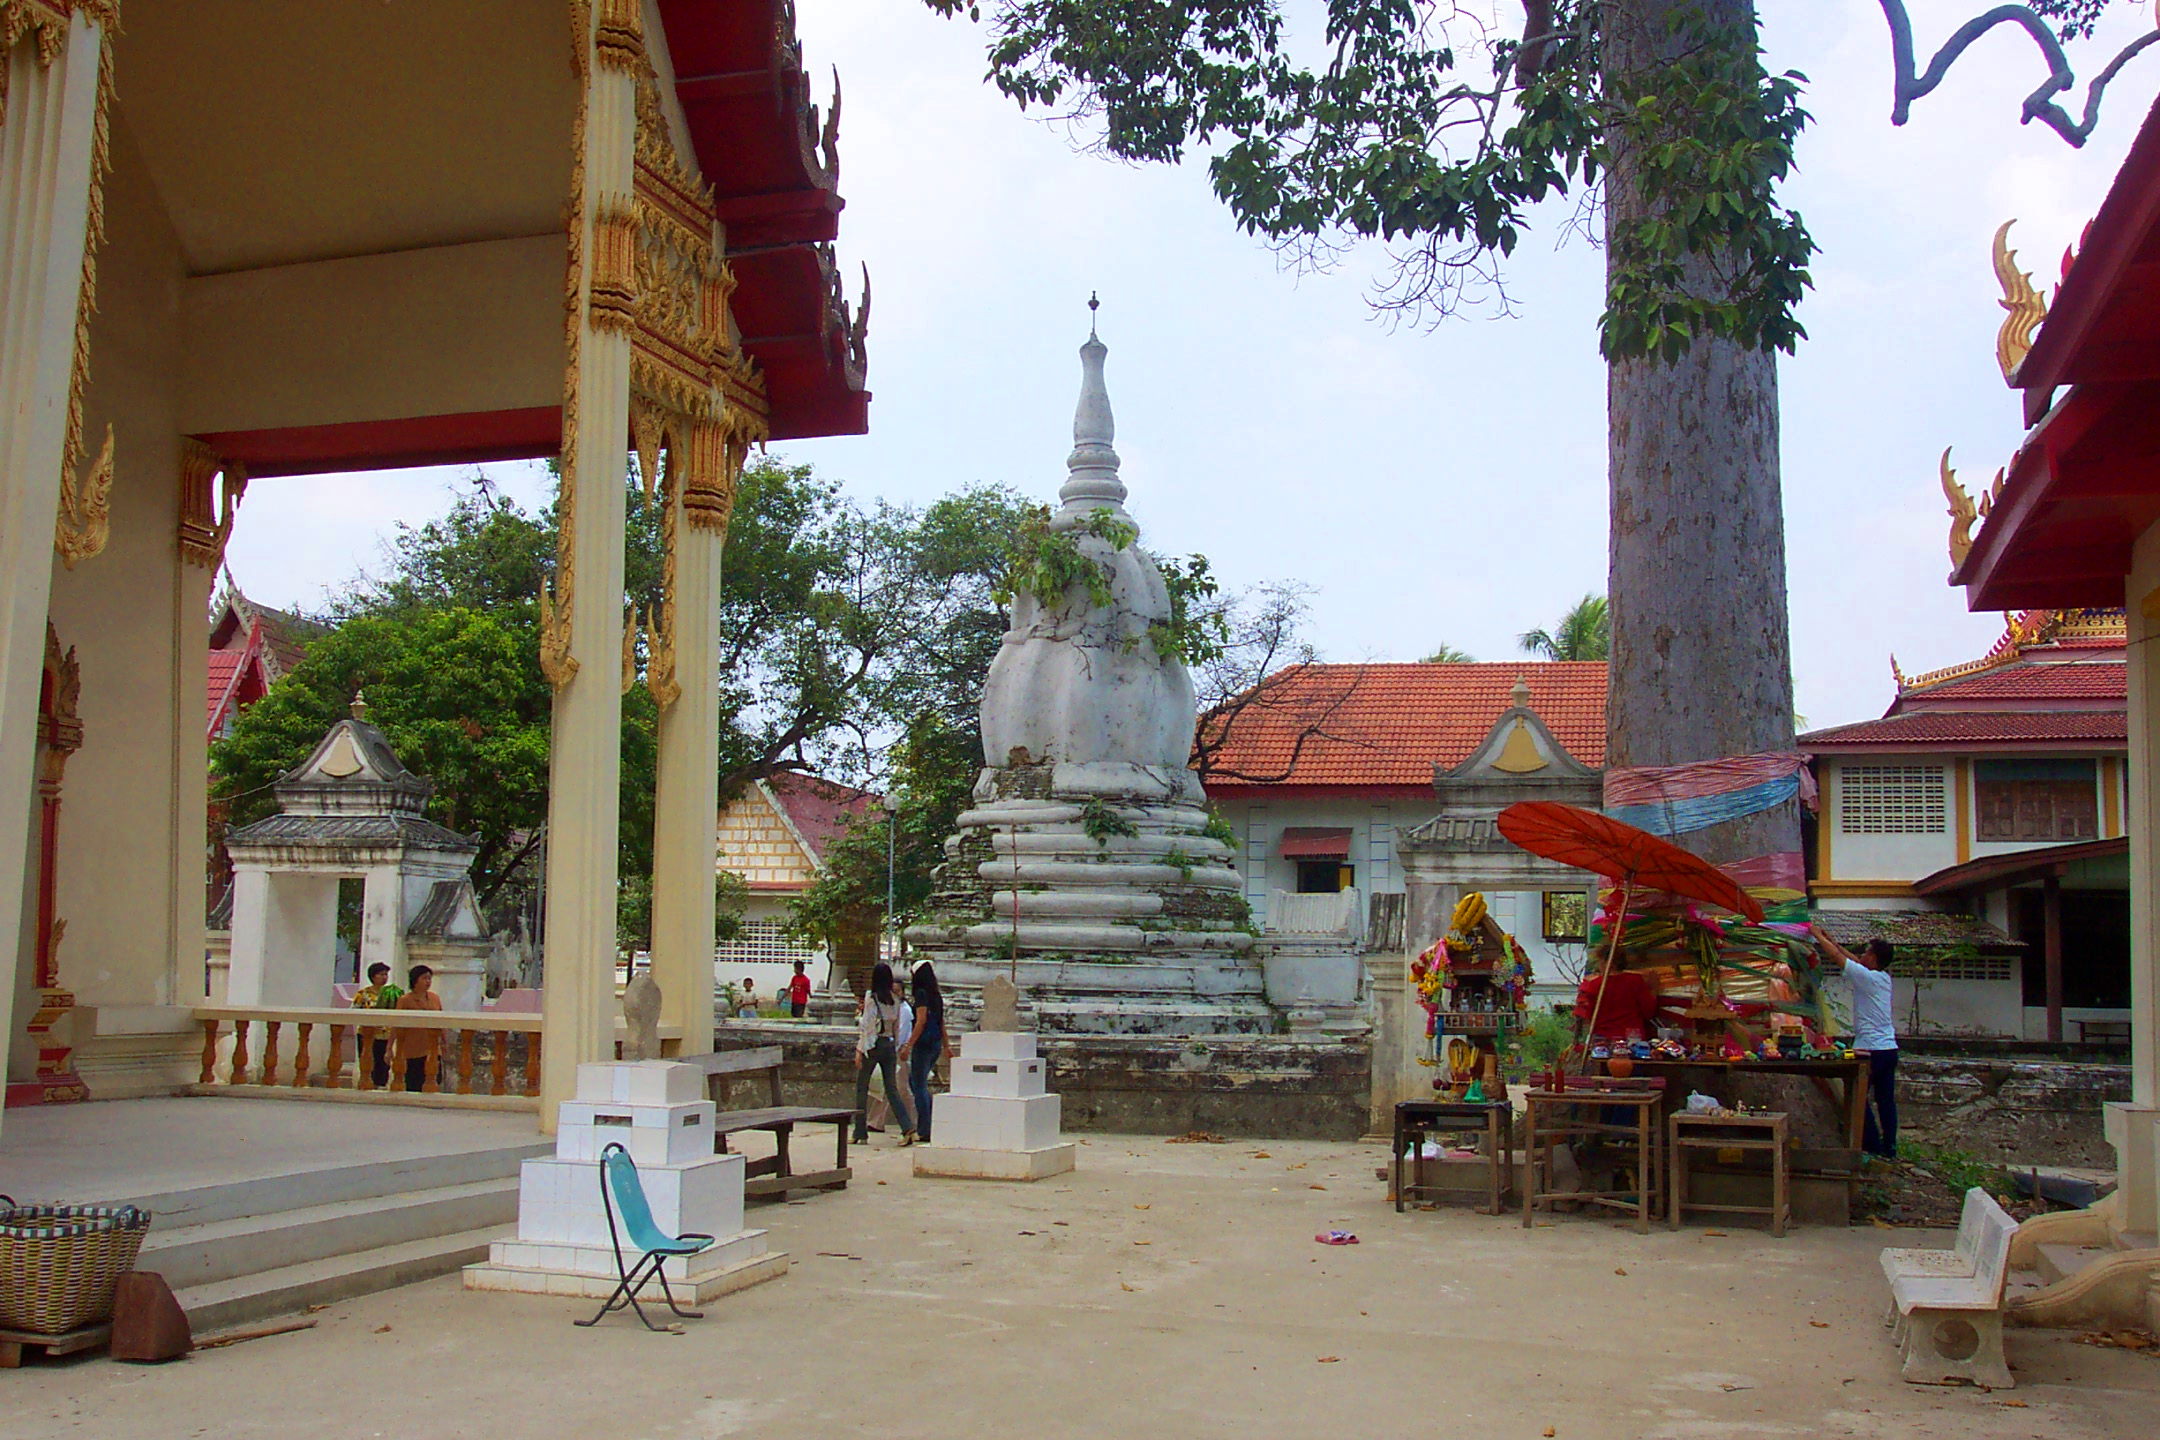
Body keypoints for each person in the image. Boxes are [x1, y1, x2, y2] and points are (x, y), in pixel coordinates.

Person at [1814, 928, 1900, 1159]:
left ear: (1873, 958)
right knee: (1885, 1101)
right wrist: (1833, 939)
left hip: (1870, 1050)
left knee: (1857, 1098)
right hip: (1889, 1049)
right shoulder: (1881, 978)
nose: (1862, 954)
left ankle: (1870, 1144)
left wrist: (1818, 937)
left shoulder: (1869, 978)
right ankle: (1889, 1146)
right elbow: (1851, 959)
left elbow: (1839, 959)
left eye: (1866, 952)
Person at [853, 962, 914, 1144]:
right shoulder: (895, 1000)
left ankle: (860, 1131)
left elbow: (867, 1027)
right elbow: (896, 1027)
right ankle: (907, 1127)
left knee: (862, 1087)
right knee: (892, 1089)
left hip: (874, 1045)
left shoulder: (872, 998)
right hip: (889, 1044)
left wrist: (859, 1050)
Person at [899, 962, 947, 1146]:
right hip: (934, 1043)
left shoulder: (921, 994)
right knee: (919, 1083)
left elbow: (920, 1021)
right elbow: (941, 1022)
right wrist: (946, 1045)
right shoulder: (937, 996)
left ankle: (925, 1128)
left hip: (922, 1043)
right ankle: (931, 1122)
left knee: (917, 1084)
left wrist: (908, 1045)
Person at [1572, 963, 1662, 1045]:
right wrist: (1653, 990)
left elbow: (1587, 1014)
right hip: (1632, 1038)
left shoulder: (1594, 984)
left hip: (1603, 1039)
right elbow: (1649, 1011)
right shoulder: (1636, 980)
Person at [394, 964, 444, 1092]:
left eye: (429, 979)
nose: (428, 982)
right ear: (415, 980)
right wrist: (390, 1048)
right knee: (414, 1081)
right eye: (424, 978)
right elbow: (396, 1024)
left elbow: (441, 1020)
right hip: (412, 1048)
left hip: (432, 1047)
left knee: (434, 1079)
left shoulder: (434, 998)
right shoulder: (405, 1000)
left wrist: (444, 1041)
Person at [353, 962, 403, 1087]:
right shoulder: (363, 994)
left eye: (386, 974)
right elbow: (355, 1011)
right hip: (367, 1034)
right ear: (373, 976)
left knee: (383, 1063)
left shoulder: (391, 993)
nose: (384, 977)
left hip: (385, 1034)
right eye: (381, 974)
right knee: (368, 1060)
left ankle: (380, 1084)